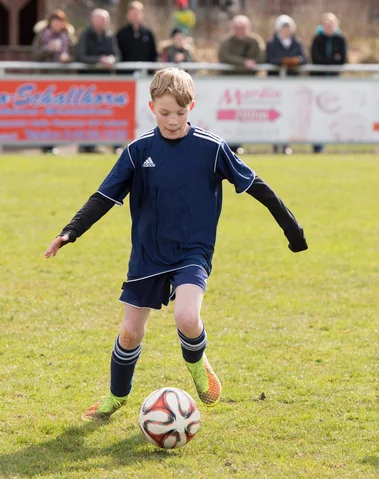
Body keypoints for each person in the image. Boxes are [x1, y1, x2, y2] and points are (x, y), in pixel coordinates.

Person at [44, 68, 308, 421]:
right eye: (165, 113)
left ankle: (198, 366)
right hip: (148, 252)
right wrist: (70, 231)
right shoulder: (138, 151)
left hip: (192, 251)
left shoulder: (211, 148)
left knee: (187, 316)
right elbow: (104, 196)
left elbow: (257, 186)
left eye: (180, 113)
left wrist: (293, 230)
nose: (172, 121)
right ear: (151, 107)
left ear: (191, 107)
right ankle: (116, 395)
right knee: (130, 332)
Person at [75, 9, 121, 154]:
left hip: (105, 83)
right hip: (88, 84)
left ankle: (108, 144)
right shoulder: (85, 36)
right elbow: (81, 56)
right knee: (88, 116)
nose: (104, 23)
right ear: (93, 20)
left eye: (106, 20)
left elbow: (118, 55)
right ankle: (86, 145)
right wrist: (99, 60)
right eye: (101, 19)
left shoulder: (109, 36)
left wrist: (113, 60)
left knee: (106, 115)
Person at [31, 9, 77, 156]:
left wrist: (67, 59)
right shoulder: (42, 35)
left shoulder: (68, 37)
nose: (57, 24)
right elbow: (34, 55)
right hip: (45, 82)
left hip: (62, 82)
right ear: (50, 22)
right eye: (54, 21)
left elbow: (76, 54)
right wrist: (47, 49)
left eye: (59, 21)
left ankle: (54, 144)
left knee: (58, 115)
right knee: (45, 114)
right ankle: (45, 145)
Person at [218, 15, 265, 154]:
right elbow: (224, 57)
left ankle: (241, 143)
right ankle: (230, 144)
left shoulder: (255, 41)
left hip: (249, 87)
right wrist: (244, 63)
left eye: (243, 28)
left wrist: (247, 64)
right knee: (230, 116)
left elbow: (260, 59)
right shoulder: (226, 42)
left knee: (246, 115)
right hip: (230, 87)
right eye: (237, 28)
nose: (240, 31)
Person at [266, 15, 307, 155]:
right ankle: (275, 144)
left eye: (288, 27)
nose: (286, 30)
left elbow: (304, 59)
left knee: (290, 115)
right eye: (284, 27)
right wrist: (284, 61)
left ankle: (286, 144)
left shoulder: (297, 43)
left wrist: (295, 61)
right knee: (275, 116)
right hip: (276, 86)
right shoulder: (272, 43)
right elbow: (271, 59)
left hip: (292, 84)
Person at [310, 12, 347, 154]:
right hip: (318, 81)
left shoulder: (340, 39)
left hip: (334, 82)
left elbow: (342, 59)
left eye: (331, 24)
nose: (329, 27)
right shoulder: (317, 39)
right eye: (326, 24)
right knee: (318, 114)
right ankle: (317, 145)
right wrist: (331, 61)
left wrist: (329, 62)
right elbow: (316, 58)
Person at [116, 1, 158, 74]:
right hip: (125, 75)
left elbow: (153, 54)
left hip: (145, 75)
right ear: (128, 15)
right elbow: (117, 53)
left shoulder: (148, 33)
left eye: (137, 13)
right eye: (132, 14)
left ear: (142, 14)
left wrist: (151, 71)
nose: (135, 16)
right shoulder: (121, 34)